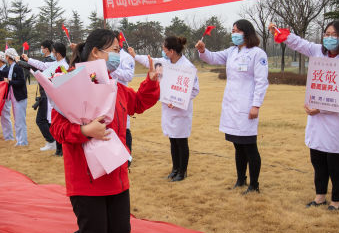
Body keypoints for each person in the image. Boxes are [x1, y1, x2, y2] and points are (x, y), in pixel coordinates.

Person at [51, 29, 160, 233]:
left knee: (120, 232)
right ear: (96, 52)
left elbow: (138, 103)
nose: (118, 55)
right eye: (114, 49)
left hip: (116, 172)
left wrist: (150, 82)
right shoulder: (70, 84)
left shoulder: (115, 87)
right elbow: (58, 129)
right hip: (86, 177)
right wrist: (85, 130)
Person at [269, 20, 339, 210]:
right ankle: (320, 196)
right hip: (316, 120)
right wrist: (279, 32)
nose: (329, 38)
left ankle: (336, 200)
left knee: (336, 164)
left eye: (334, 35)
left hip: (334, 121)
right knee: (318, 160)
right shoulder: (318, 51)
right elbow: (299, 43)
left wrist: (321, 108)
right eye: (326, 34)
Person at [196, 19, 269, 194]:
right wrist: (203, 50)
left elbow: (261, 82)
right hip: (232, 105)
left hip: (247, 106)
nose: (234, 34)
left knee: (250, 146)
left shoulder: (257, 54)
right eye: (233, 30)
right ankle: (241, 179)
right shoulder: (231, 52)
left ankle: (254, 184)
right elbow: (212, 58)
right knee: (237, 145)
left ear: (246, 32)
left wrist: (256, 105)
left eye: (237, 31)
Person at [132, 36, 199, 182]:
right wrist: (135, 55)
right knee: (173, 140)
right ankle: (175, 169)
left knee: (181, 141)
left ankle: (182, 171)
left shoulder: (187, 67)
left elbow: (194, 90)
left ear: (172, 51)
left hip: (181, 110)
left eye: (164, 50)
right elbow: (149, 61)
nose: (163, 52)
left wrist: (177, 101)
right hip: (168, 109)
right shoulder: (164, 63)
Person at [21, 42, 69, 155]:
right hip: (52, 98)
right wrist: (29, 60)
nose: (52, 53)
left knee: (58, 123)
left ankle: (60, 149)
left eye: (53, 52)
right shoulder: (56, 63)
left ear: (57, 53)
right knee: (54, 123)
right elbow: (42, 66)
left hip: (59, 99)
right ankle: (58, 149)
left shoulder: (64, 66)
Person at [0, 48, 28, 146]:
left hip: (20, 97)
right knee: (17, 120)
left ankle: (23, 141)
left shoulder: (17, 67)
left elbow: (21, 81)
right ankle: (20, 140)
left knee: (20, 120)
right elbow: (4, 74)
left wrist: (10, 82)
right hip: (15, 97)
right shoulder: (11, 66)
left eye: (6, 56)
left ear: (8, 57)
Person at [113, 43, 136, 161]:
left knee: (124, 126)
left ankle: (127, 157)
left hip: (122, 95)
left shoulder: (126, 57)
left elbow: (129, 76)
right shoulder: (106, 56)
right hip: (109, 95)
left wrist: (113, 70)